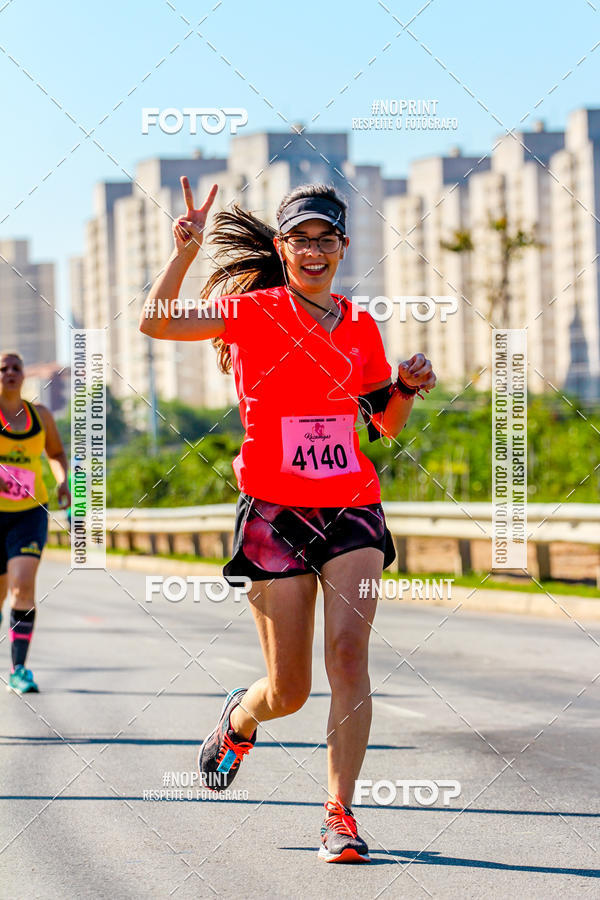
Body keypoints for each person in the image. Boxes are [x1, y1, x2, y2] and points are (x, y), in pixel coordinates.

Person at [140, 178, 436, 863]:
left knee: (349, 656)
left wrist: (409, 389)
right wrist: (184, 249)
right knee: (291, 690)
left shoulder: (359, 324)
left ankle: (340, 814)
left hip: (351, 504)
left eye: (324, 239)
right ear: (282, 247)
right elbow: (156, 321)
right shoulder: (252, 312)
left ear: (342, 247)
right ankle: (242, 716)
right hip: (275, 508)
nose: (312, 250)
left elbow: (383, 423)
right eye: (299, 239)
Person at [0, 351, 71, 693]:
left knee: (22, 586)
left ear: (24, 375)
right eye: (3, 368)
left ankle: (19, 669)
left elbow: (56, 454)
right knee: (2, 594)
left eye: (16, 367)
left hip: (29, 513)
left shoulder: (39, 415)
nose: (10, 372)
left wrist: (62, 479)